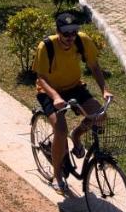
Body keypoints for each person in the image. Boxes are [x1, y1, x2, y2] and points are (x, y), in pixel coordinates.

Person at [33, 12, 113, 196]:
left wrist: (104, 90)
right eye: (66, 33)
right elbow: (41, 78)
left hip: (74, 87)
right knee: (60, 130)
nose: (70, 37)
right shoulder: (46, 47)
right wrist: (55, 97)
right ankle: (57, 177)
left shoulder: (82, 41)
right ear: (57, 31)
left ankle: (76, 135)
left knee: (100, 116)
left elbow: (94, 66)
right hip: (49, 91)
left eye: (74, 32)